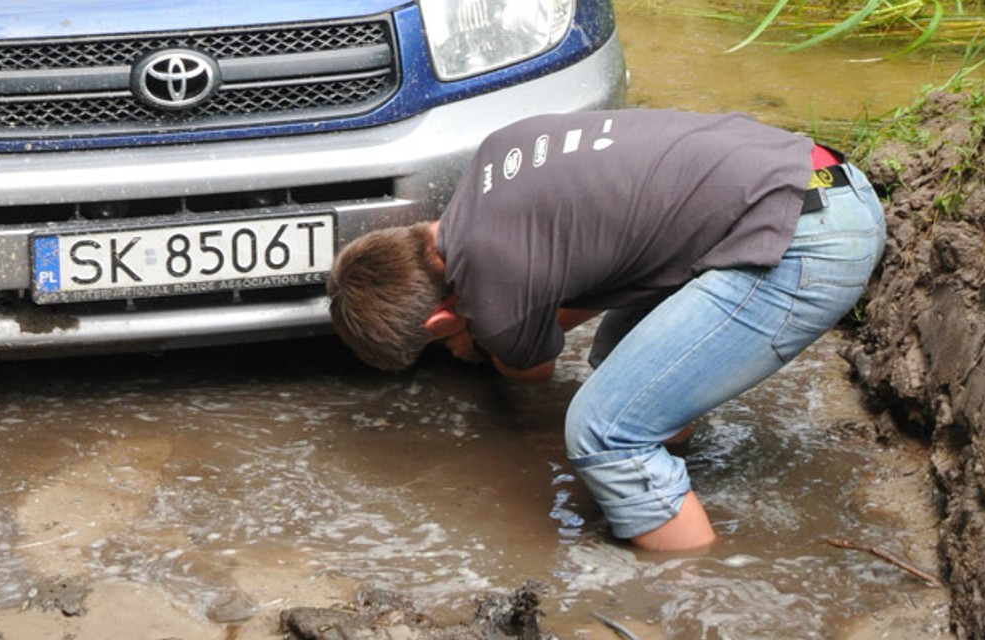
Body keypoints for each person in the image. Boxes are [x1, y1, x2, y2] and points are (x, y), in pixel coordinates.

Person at [327, 109, 887, 551]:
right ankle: (667, 492)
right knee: (618, 365)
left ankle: (686, 586)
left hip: (808, 241)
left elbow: (531, 368)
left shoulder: (490, 276)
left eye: (440, 342)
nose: (450, 345)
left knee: (603, 431)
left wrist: (476, 338)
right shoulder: (493, 159)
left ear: (439, 320)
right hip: (814, 177)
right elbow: (589, 267)